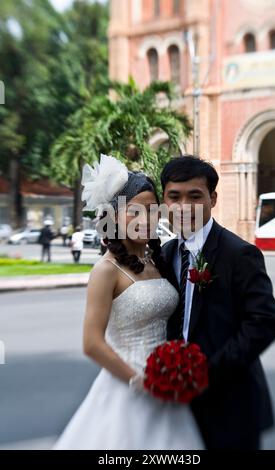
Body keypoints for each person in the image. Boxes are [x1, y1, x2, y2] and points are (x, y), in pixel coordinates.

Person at [52, 154, 203, 450]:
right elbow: (92, 344)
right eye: (135, 212)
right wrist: (139, 382)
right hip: (129, 386)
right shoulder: (106, 271)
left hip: (168, 384)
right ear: (114, 218)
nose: (145, 220)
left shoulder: (159, 260)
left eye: (152, 210)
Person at [161, 156, 275, 450]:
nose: (183, 206)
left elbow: (263, 323)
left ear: (212, 199)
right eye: (174, 197)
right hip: (174, 403)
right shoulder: (164, 255)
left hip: (230, 402)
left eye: (195, 196)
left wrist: (206, 372)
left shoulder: (240, 254)